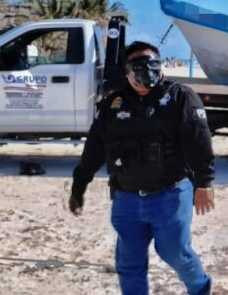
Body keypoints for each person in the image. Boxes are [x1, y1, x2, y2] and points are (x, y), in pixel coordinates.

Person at [69, 41, 215, 295]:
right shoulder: (113, 104)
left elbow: (199, 141)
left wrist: (204, 183)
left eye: (152, 64)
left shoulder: (181, 97)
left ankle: (200, 287)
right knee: (128, 262)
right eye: (138, 66)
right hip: (126, 199)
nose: (146, 71)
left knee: (174, 253)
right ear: (127, 71)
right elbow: (95, 147)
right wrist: (79, 185)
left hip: (170, 194)